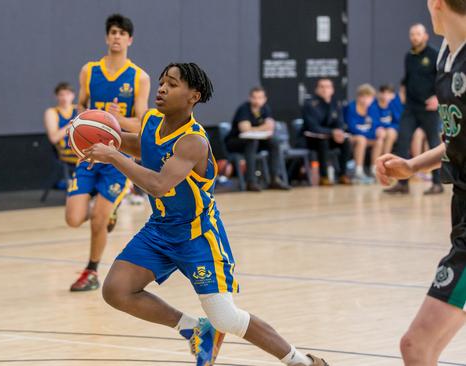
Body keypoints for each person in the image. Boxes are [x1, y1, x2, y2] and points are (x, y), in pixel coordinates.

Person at [84, 63, 328, 366]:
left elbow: (158, 185)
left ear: (193, 96)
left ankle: (302, 362)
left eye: (172, 84)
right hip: (160, 229)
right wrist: (104, 138)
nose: (161, 88)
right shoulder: (150, 121)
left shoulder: (193, 142)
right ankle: (195, 328)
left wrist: (114, 156)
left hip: (198, 234)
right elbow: (141, 145)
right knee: (116, 290)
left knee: (226, 316)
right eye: (161, 82)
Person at [376, 0, 466, 364]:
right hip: (460, 212)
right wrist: (412, 165)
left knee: (416, 346)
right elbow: (455, 140)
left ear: (435, 4)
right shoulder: (447, 55)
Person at [67, 14, 150, 291]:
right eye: (113, 32)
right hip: (90, 153)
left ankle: (91, 271)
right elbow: (80, 108)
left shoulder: (139, 77)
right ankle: (110, 208)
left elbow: (141, 123)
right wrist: (78, 124)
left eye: (122, 33)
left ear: (130, 40)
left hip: (118, 156)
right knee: (74, 219)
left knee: (98, 220)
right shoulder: (89, 71)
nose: (117, 37)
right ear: (107, 37)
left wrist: (116, 120)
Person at [386, 23, 444, 195]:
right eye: (412, 34)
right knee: (403, 140)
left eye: (418, 34)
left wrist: (437, 98)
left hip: (429, 109)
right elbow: (407, 78)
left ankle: (437, 183)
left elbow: (442, 78)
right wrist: (402, 90)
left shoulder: (434, 54)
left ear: (425, 36)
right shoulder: (409, 56)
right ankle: (402, 184)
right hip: (411, 107)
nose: (414, 37)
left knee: (434, 144)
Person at [225, 87, 290, 191]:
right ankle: (251, 181)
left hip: (256, 141)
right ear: (250, 98)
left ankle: (274, 179)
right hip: (236, 141)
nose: (257, 100)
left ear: (265, 99)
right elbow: (245, 129)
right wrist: (262, 128)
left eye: (260, 97)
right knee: (252, 142)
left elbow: (271, 127)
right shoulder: (244, 109)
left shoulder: (265, 109)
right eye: (254, 97)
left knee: (274, 142)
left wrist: (254, 129)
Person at [302, 78, 352, 186]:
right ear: (316, 89)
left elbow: (340, 122)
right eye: (322, 87)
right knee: (323, 142)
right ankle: (323, 177)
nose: (325, 89)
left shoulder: (336, 104)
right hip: (311, 139)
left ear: (332, 90)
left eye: (328, 87)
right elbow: (313, 127)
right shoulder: (310, 104)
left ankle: (343, 174)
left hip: (330, 137)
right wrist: (332, 132)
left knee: (346, 142)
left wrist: (339, 131)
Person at [344, 84, 385, 184]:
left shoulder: (373, 108)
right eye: (364, 97)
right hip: (350, 137)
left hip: (366, 137)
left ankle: (374, 169)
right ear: (359, 97)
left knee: (379, 141)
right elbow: (351, 128)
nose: (367, 100)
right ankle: (358, 172)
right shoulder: (351, 108)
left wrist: (380, 130)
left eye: (370, 97)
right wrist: (370, 134)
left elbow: (376, 124)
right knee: (361, 139)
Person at [44, 82, 78, 164]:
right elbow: (53, 138)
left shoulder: (80, 109)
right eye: (61, 95)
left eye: (67, 94)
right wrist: (74, 124)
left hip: (84, 156)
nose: (65, 98)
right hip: (65, 158)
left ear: (73, 95)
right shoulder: (52, 112)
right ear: (56, 96)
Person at [372, 84, 402, 155]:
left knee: (391, 132)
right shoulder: (373, 105)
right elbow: (373, 122)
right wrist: (380, 128)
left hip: (391, 130)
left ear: (393, 95)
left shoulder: (395, 105)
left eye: (389, 93)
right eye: (384, 93)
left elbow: (398, 121)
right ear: (379, 94)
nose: (386, 96)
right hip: (376, 131)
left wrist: (388, 128)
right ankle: (376, 163)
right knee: (381, 137)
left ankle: (385, 158)